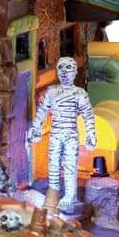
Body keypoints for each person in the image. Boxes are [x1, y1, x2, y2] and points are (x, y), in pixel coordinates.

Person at [27, 57, 96, 210]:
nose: (64, 72)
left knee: (70, 165)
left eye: (69, 68)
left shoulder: (80, 93)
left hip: (71, 135)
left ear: (75, 72)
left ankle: (70, 195)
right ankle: (53, 192)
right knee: (54, 164)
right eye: (61, 68)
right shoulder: (52, 91)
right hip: (56, 134)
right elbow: (42, 111)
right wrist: (36, 128)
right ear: (57, 72)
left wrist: (91, 134)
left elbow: (88, 115)